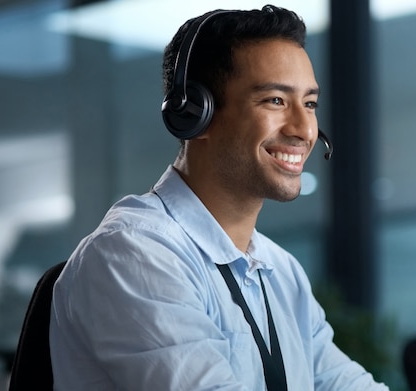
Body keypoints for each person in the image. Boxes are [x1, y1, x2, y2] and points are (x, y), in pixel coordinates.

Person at [49, 5, 388, 390]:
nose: (303, 129)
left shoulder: (280, 272)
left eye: (309, 104)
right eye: (275, 100)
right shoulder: (134, 254)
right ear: (195, 113)